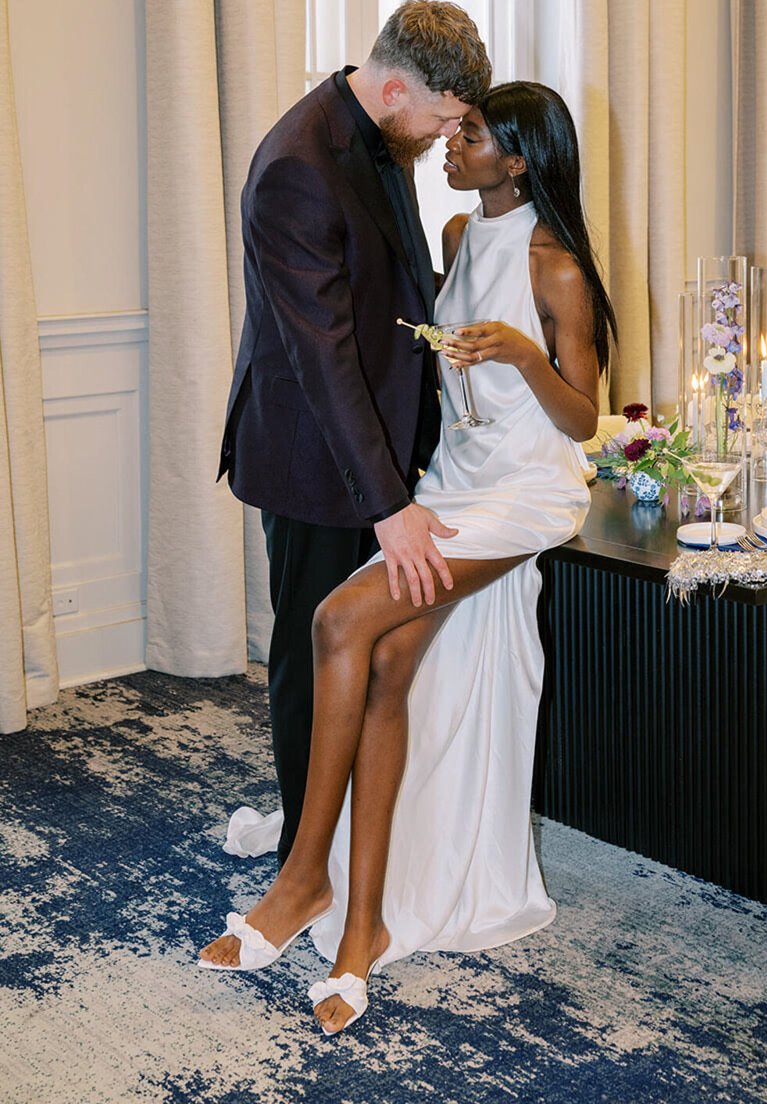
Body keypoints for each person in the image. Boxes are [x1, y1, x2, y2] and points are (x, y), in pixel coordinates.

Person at [200, 81, 618, 1036]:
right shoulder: (464, 242)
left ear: (518, 161)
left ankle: (304, 880)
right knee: (385, 659)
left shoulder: (556, 266)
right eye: (453, 125)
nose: (451, 144)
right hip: (453, 479)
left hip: (522, 494)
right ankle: (362, 928)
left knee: (339, 618)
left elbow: (584, 419)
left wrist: (521, 353)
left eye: (470, 134)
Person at [218, 0, 492, 866]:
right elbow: (323, 356)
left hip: (370, 441)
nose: (450, 132)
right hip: (312, 456)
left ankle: (336, 828)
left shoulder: (377, 131)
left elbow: (391, 288)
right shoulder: (298, 164)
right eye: (446, 114)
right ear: (398, 84)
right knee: (312, 649)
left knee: (356, 644)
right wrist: (388, 505)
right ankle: (310, 851)